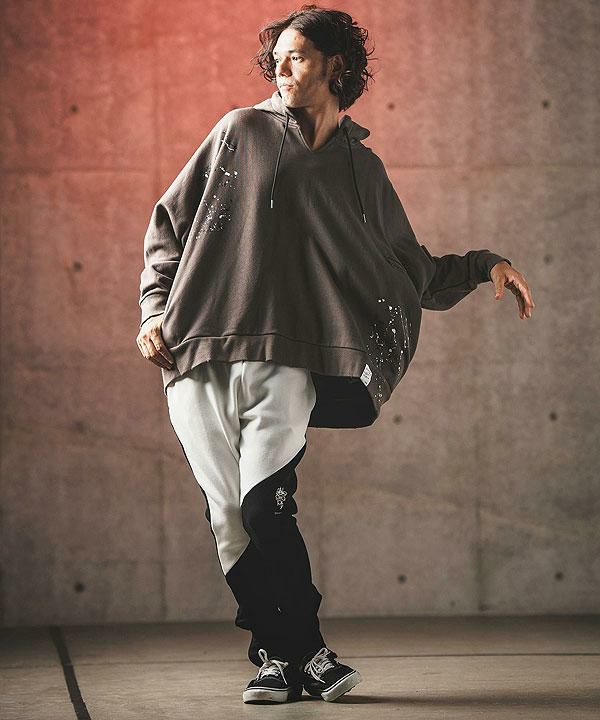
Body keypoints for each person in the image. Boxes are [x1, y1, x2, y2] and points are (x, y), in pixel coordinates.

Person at [135, 3, 535, 705]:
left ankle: (307, 653)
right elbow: (170, 221)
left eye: (298, 56)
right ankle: (279, 659)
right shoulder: (240, 131)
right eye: (277, 59)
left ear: (335, 65)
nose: (283, 69)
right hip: (198, 352)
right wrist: (152, 309)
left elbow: (407, 265)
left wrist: (483, 265)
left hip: (287, 359)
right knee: (228, 520)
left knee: (266, 508)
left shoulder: (360, 166)